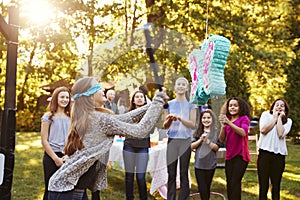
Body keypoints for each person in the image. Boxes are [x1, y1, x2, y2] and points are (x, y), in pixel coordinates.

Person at [48, 77, 168, 199]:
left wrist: (153, 103)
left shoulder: (91, 116)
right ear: (90, 96)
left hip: (68, 187)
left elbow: (126, 118)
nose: (103, 90)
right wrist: (158, 102)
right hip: (67, 190)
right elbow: (140, 131)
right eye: (99, 88)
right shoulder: (100, 119)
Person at [163, 77, 197, 200]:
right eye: (179, 84)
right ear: (175, 87)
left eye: (184, 84)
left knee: (183, 173)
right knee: (171, 173)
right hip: (172, 141)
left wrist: (181, 119)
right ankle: (170, 198)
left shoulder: (191, 105)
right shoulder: (169, 104)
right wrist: (170, 120)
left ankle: (183, 198)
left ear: (187, 88)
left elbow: (193, 124)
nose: (181, 86)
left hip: (185, 141)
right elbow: (165, 126)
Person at [257, 98, 292, 200]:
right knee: (263, 186)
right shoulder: (265, 115)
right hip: (264, 154)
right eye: (277, 105)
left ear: (285, 110)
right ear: (272, 108)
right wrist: (274, 118)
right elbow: (263, 130)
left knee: (276, 186)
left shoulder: (288, 121)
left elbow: (280, 133)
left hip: (279, 156)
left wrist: (280, 119)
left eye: (282, 106)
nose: (279, 107)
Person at [40, 86, 71, 200]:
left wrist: (68, 155)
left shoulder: (71, 117)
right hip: (51, 156)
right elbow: (44, 141)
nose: (64, 99)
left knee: (64, 190)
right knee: (50, 189)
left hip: (66, 157)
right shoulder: (48, 117)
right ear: (55, 99)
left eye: (67, 97)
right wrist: (55, 158)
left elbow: (71, 139)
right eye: (62, 97)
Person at [218, 97, 251, 200]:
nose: (232, 107)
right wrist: (223, 127)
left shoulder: (244, 118)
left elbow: (243, 132)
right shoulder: (227, 120)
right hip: (229, 155)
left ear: (240, 107)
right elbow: (221, 139)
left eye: (235, 105)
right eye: (230, 106)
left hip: (241, 155)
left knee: (235, 182)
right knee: (229, 183)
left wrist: (229, 123)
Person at [123, 90, 151, 200]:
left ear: (145, 100)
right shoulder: (128, 113)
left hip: (143, 147)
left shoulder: (149, 114)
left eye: (141, 97)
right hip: (129, 145)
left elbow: (151, 130)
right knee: (129, 176)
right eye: (137, 97)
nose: (139, 98)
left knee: (140, 177)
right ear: (133, 100)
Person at [191, 109, 220, 200]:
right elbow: (192, 146)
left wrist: (207, 141)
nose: (206, 120)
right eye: (204, 118)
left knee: (207, 187)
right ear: (201, 119)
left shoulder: (216, 132)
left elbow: (216, 148)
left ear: (212, 119)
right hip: (199, 165)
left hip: (210, 165)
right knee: (202, 188)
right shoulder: (197, 131)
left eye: (208, 118)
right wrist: (200, 139)